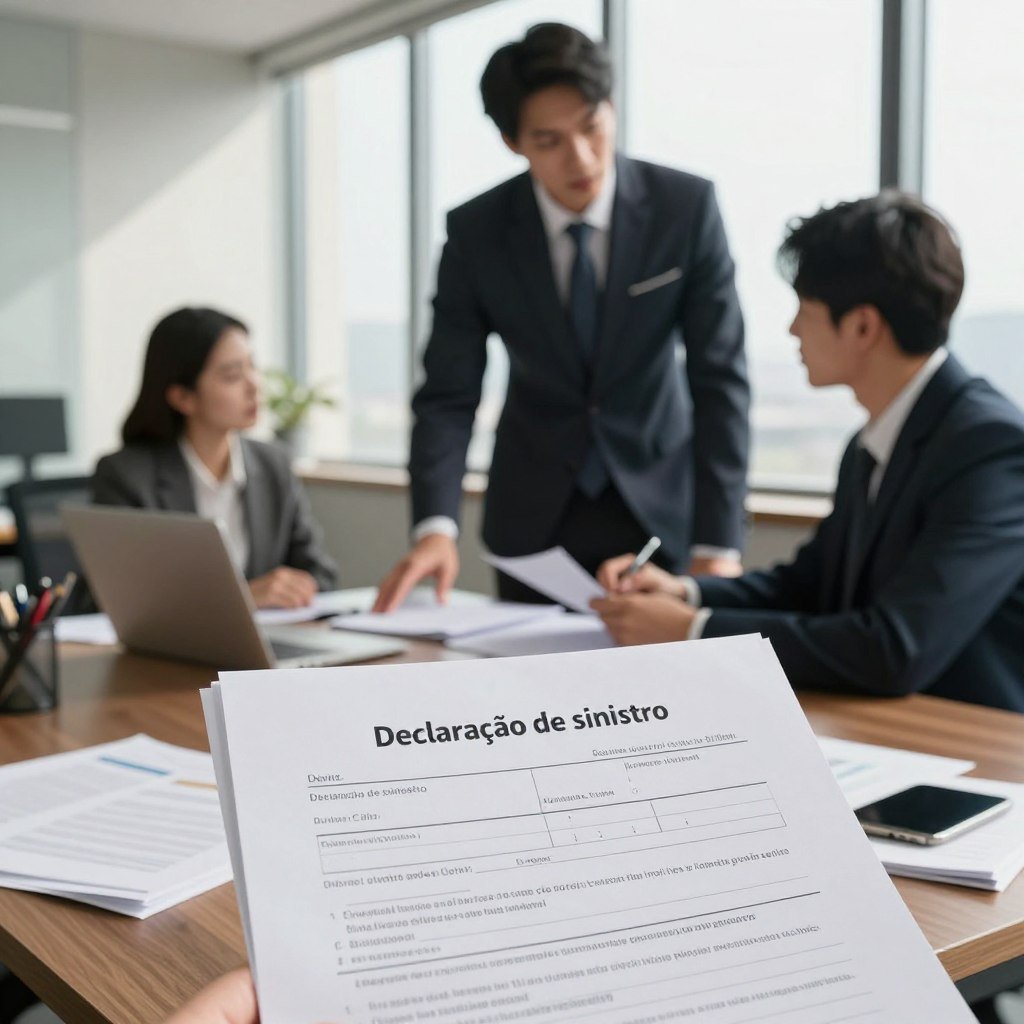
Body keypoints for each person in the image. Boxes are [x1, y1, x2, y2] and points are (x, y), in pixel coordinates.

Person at [593, 192, 1024, 712]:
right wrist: (686, 593)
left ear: (863, 327)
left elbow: (894, 648)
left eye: (806, 309)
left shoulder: (992, 449)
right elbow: (810, 584)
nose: (793, 329)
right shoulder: (873, 442)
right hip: (889, 730)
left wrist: (695, 631)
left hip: (975, 752)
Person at [374, 22, 749, 610]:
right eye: (549, 141)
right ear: (513, 142)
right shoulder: (476, 233)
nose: (580, 158)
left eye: (591, 127)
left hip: (660, 514)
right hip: (533, 523)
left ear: (612, 109)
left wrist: (717, 540)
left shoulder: (685, 208)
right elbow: (448, 394)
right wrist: (435, 528)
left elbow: (720, 380)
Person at [93, 307, 337, 608]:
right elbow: (120, 600)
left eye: (252, 366)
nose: (254, 385)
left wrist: (296, 588)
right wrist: (243, 599)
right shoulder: (126, 477)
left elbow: (321, 574)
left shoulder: (273, 464)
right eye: (232, 375)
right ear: (183, 397)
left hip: (272, 644)